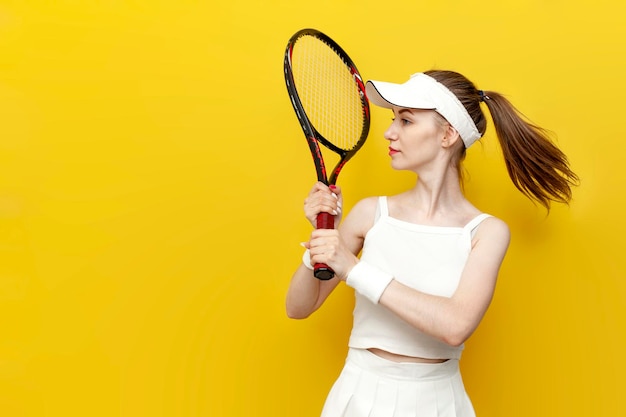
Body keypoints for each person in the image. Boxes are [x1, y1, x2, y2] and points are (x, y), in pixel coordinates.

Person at [286, 70, 578, 417]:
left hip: (437, 402)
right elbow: (298, 307)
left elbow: (454, 327)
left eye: (406, 121)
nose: (389, 132)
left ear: (448, 134)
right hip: (357, 394)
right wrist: (323, 240)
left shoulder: (486, 232)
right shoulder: (370, 214)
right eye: (393, 119)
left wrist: (354, 268)